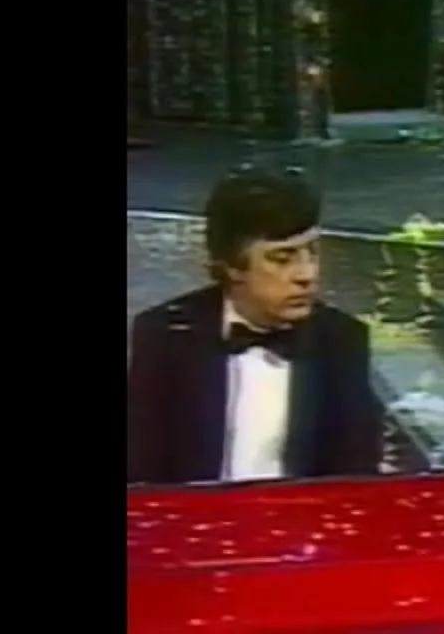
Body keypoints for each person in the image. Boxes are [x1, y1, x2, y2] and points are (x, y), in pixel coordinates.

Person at [127, 166, 384, 485]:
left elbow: (355, 477)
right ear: (233, 267)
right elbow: (143, 474)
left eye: (312, 252)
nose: (307, 274)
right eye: (282, 258)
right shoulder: (164, 334)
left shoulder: (341, 339)